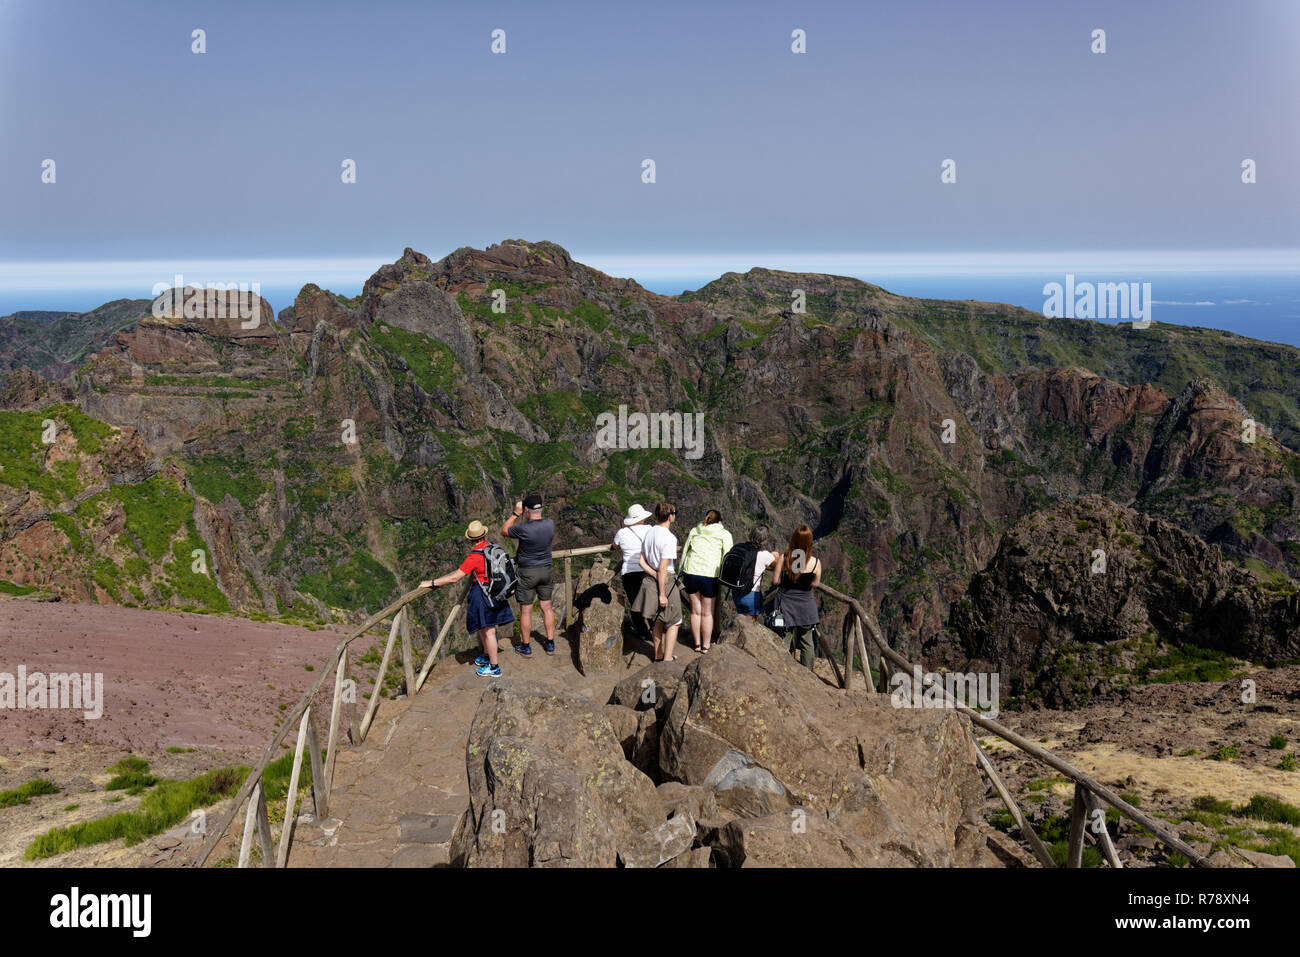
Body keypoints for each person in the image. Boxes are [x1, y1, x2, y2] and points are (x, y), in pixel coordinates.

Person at [420, 521, 513, 678]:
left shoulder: (474, 556)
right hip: (495, 591)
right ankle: (486, 655)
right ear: (483, 535)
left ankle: (495, 667)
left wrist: (431, 583)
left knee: (489, 630)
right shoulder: (493, 547)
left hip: (483, 594)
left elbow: (455, 577)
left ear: (470, 539)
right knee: (484, 628)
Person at [501, 492, 556, 656]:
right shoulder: (550, 524)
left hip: (527, 572)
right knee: (547, 607)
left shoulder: (523, 529)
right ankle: (550, 643)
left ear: (526, 510)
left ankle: (526, 646)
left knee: (526, 611)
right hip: (546, 570)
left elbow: (504, 530)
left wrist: (515, 514)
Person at [632, 501, 683, 662]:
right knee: (675, 621)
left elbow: (641, 561)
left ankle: (658, 655)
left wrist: (653, 574)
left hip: (650, 580)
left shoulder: (649, 532)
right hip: (665, 582)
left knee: (657, 620)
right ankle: (667, 659)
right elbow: (663, 568)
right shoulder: (669, 538)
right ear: (670, 516)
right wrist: (662, 594)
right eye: (675, 514)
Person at [768, 525, 821, 671]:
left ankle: (781, 670)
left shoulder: (785, 559)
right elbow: (815, 583)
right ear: (809, 542)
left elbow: (775, 581)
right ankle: (807, 673)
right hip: (806, 605)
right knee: (807, 642)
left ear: (794, 540)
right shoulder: (815, 563)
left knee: (785, 638)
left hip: (786, 604)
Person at [679, 509, 733, 652]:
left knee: (695, 611)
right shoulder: (724, 534)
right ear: (720, 522)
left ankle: (696, 644)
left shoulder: (695, 531)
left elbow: (685, 551)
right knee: (707, 613)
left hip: (690, 572)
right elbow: (728, 556)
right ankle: (706, 646)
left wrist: (680, 571)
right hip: (709, 575)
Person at [612, 504, 653, 636]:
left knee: (635, 603)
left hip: (628, 572)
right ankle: (655, 630)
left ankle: (642, 632)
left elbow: (615, 546)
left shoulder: (622, 532)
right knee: (650, 601)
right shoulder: (649, 529)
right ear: (641, 518)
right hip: (646, 570)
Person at [732, 524, 777, 622]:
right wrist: (775, 555)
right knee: (748, 630)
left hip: (736, 592)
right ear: (765, 540)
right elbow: (777, 565)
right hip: (751, 595)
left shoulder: (740, 549)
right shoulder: (765, 555)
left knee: (741, 626)